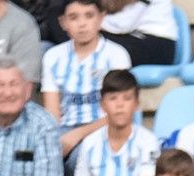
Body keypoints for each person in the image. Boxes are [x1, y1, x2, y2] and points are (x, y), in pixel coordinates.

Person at [71, 68, 156, 176]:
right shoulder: (90, 143)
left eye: (127, 98)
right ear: (102, 104)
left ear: (137, 103)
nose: (119, 105)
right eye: (113, 99)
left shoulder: (148, 141)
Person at [43, 0, 131, 158]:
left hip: (104, 129)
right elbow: (52, 115)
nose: (82, 24)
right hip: (64, 130)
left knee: (83, 156)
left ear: (101, 18)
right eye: (74, 17)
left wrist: (77, 134)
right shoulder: (53, 57)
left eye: (89, 16)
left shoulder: (116, 55)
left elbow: (120, 112)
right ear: (63, 23)